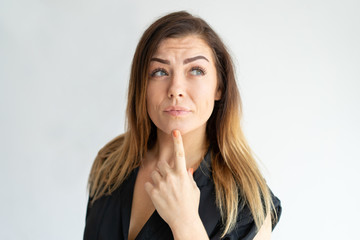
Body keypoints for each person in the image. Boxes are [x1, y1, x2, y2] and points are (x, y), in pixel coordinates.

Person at [83, 11, 281, 240]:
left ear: (220, 87)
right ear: (142, 87)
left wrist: (185, 222)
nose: (175, 88)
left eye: (196, 71)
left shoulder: (250, 205)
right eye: (159, 72)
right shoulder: (110, 163)